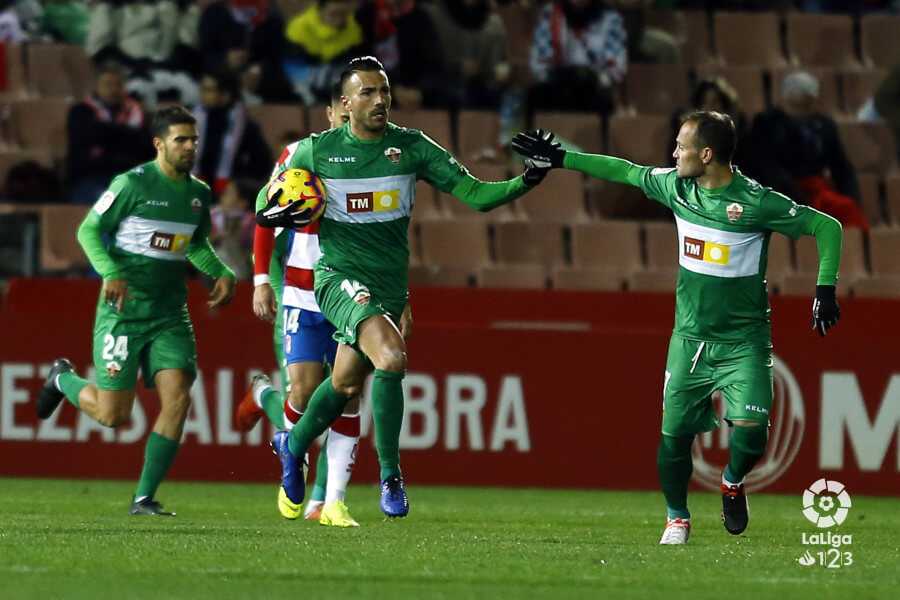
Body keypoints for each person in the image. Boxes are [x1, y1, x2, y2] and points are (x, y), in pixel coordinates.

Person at [511, 111, 842, 544]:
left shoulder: (756, 202)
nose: (674, 153)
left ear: (706, 155)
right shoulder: (676, 187)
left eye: (682, 146)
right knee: (674, 437)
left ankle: (732, 481)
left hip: (745, 342)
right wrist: (562, 159)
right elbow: (623, 171)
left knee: (753, 438)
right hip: (689, 341)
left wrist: (826, 288)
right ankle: (677, 517)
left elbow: (826, 226)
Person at [258, 56, 547, 519]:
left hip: (388, 286)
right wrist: (274, 212)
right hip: (336, 280)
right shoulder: (317, 151)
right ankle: (390, 475)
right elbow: (266, 197)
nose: (380, 101)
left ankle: (291, 445)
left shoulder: (410, 148)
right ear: (345, 104)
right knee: (391, 357)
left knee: (345, 382)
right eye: (368, 93)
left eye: (385, 91)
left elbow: (475, 195)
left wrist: (527, 178)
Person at [34, 106, 237, 517]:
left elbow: (193, 244)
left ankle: (144, 497)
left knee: (178, 398)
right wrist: (109, 270)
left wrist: (221, 271)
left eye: (194, 140)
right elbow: (88, 229)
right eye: (180, 140)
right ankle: (62, 379)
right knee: (113, 416)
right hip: (123, 312)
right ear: (159, 143)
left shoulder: (198, 193)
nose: (190, 147)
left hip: (169, 313)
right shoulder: (132, 183)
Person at [236, 82, 413, 527]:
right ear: (335, 110)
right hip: (301, 290)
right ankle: (266, 398)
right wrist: (261, 280)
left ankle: (330, 502)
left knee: (348, 395)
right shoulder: (304, 155)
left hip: (359, 294)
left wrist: (400, 297)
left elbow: (387, 236)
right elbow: (264, 216)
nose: (341, 124)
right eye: (338, 115)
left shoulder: (375, 157)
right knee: (302, 395)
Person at [742, 71, 869, 232]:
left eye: (808, 103)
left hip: (818, 190)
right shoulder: (767, 122)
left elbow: (841, 165)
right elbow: (767, 165)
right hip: (783, 191)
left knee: (845, 207)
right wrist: (794, 194)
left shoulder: (823, 125)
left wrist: (851, 195)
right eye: (799, 103)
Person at [67, 61, 154, 205]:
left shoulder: (138, 113)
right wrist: (128, 138)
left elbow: (148, 147)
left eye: (118, 85)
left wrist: (108, 135)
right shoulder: (80, 112)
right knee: (106, 202)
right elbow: (87, 135)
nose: (113, 90)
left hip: (132, 178)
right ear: (96, 87)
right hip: (92, 178)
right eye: (107, 84)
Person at [527, 0, 627, 117]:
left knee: (604, 101)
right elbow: (539, 60)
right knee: (534, 95)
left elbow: (616, 65)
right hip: (559, 83)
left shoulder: (610, 18)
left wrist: (597, 76)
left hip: (594, 87)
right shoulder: (551, 13)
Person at [192, 68, 273, 198]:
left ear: (226, 94)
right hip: (195, 190)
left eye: (209, 90)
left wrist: (239, 184)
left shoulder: (244, 126)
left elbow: (263, 164)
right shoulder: (193, 119)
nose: (203, 94)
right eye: (203, 89)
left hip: (229, 194)